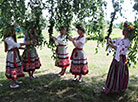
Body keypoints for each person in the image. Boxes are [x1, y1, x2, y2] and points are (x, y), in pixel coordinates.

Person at [104, 22, 133, 94]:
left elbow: (119, 48)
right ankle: (111, 87)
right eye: (123, 30)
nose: (123, 31)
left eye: (125, 30)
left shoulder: (128, 42)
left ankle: (118, 88)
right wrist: (108, 39)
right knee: (114, 71)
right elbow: (114, 42)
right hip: (116, 58)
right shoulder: (120, 39)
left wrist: (110, 44)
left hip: (121, 59)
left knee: (120, 72)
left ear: (128, 32)